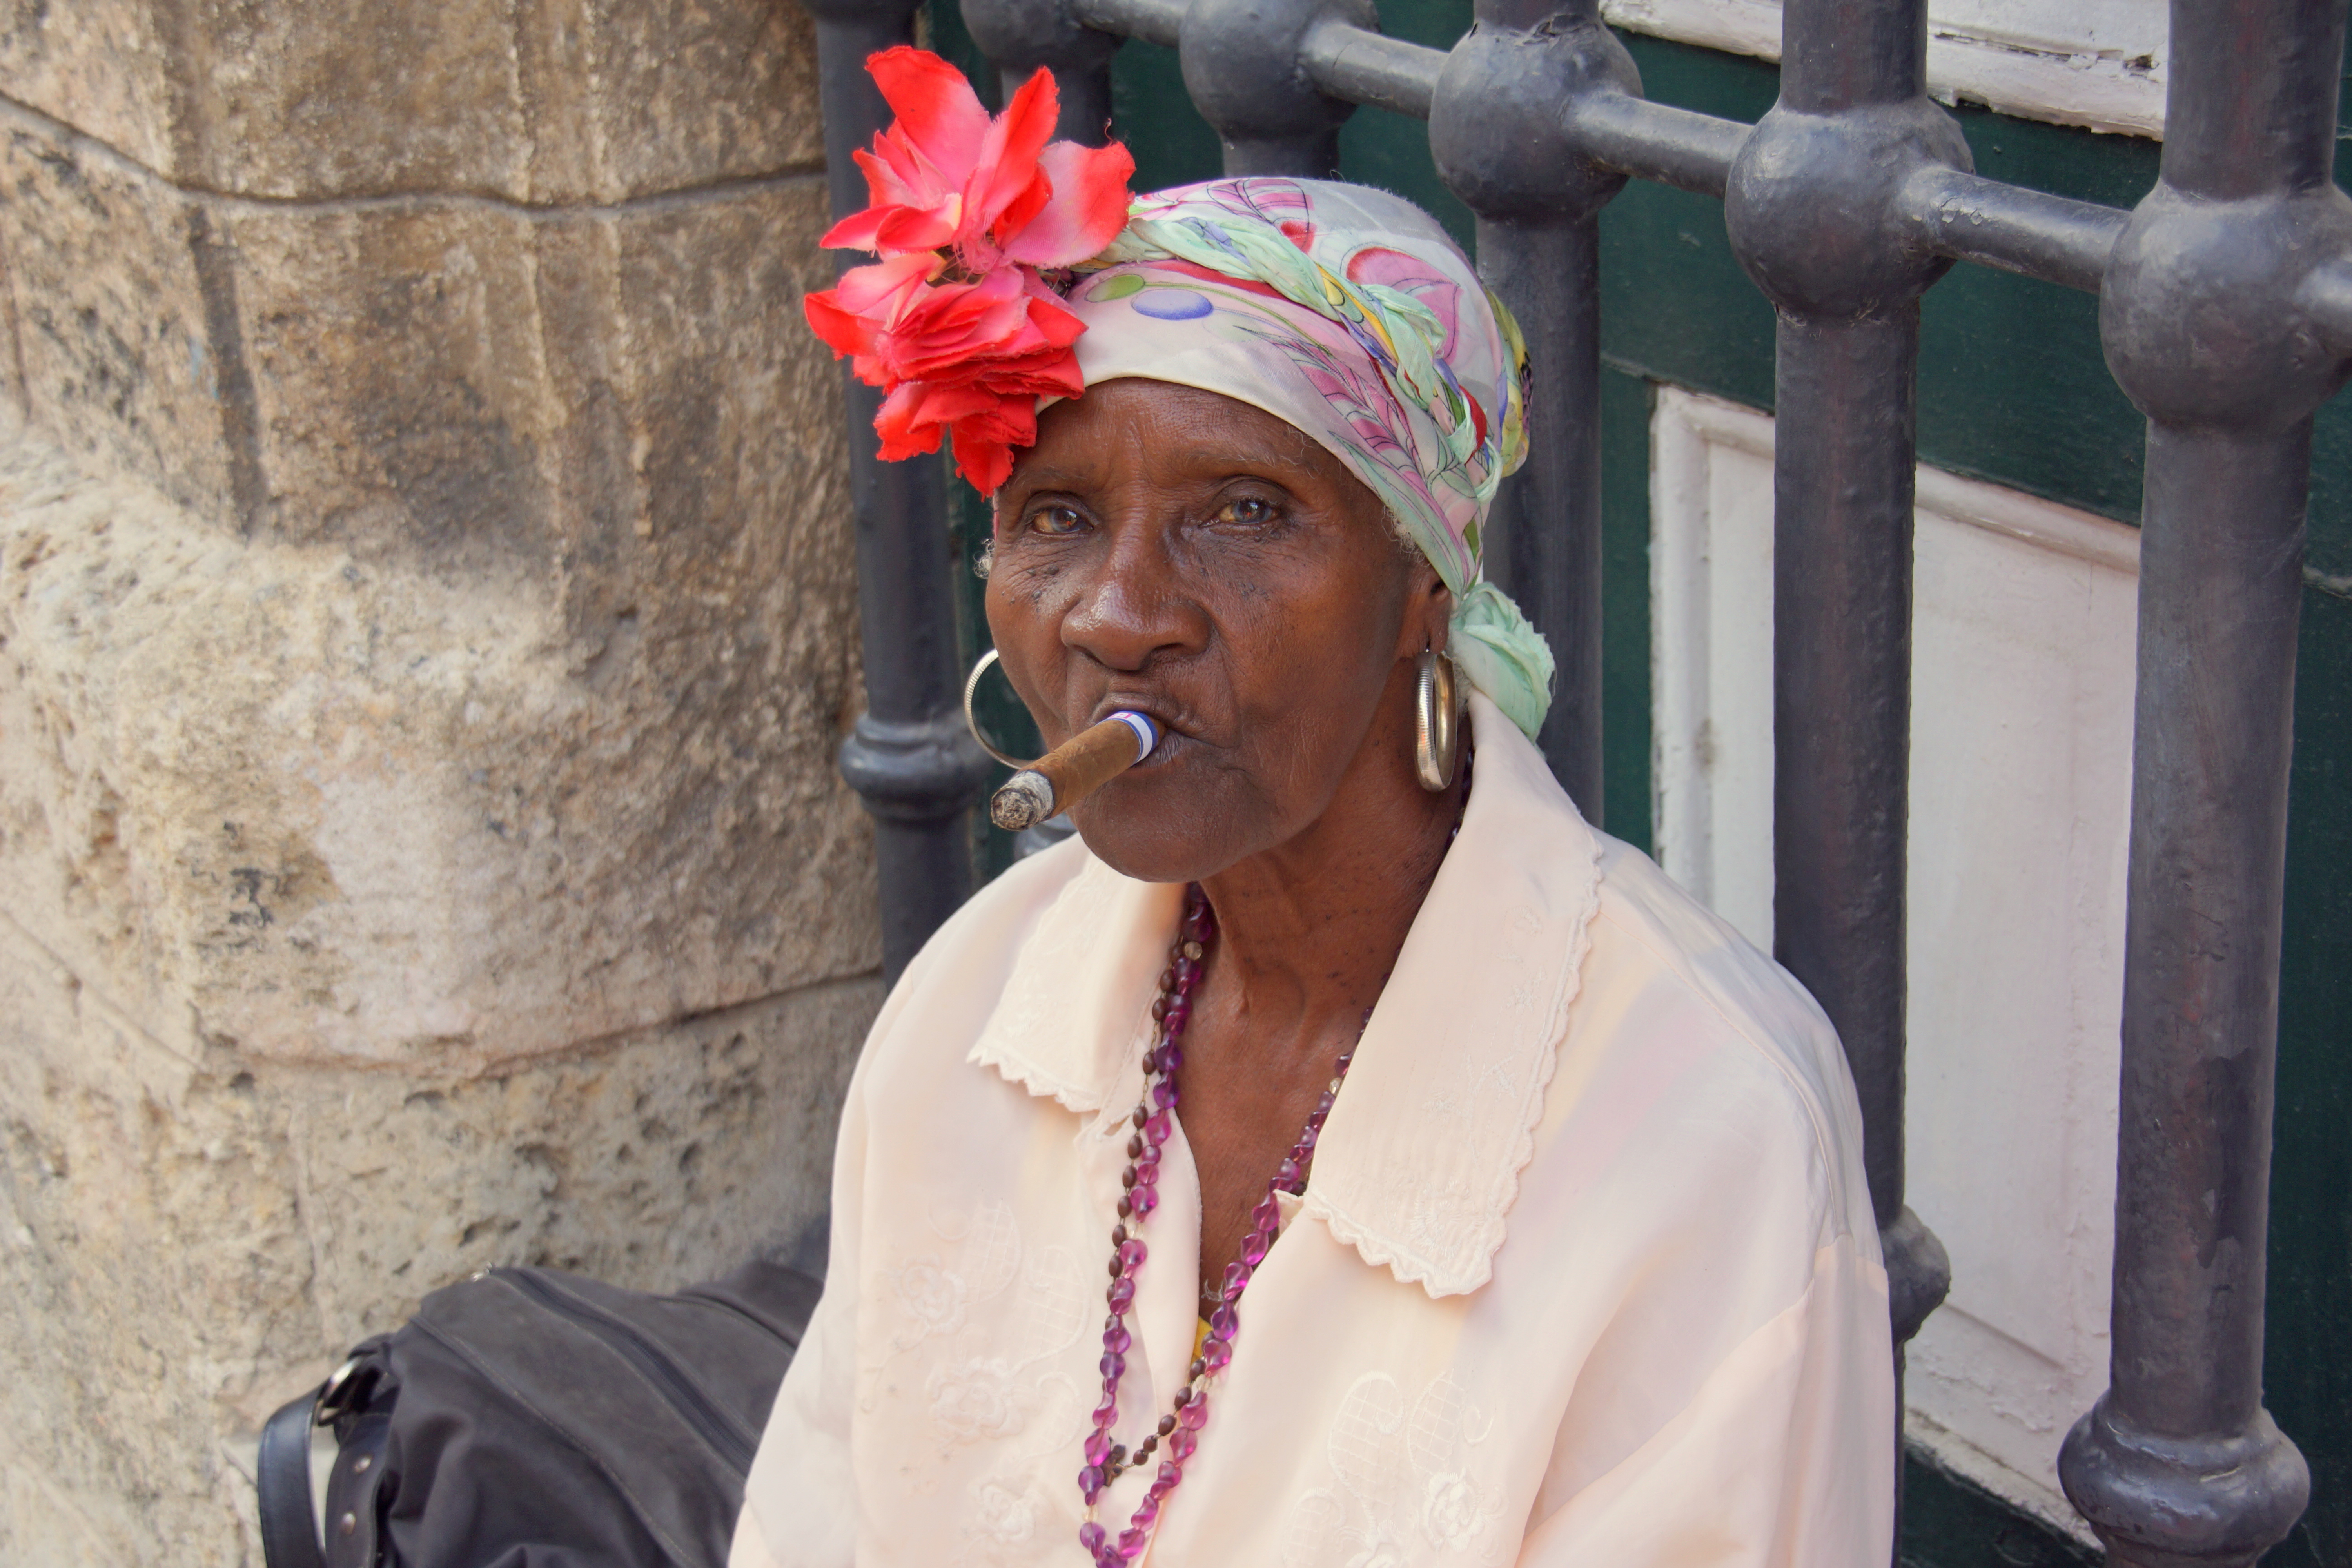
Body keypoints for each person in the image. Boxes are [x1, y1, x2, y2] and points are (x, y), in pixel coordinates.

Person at [746, 47, 1892, 1567]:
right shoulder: (973, 1005)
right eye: (1057, 517)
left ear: (1425, 584)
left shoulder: (1701, 1132)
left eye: (1243, 512)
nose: (1119, 615)